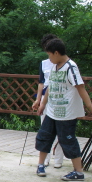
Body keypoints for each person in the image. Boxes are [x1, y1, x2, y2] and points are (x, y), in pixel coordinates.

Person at [36, 38, 92, 181]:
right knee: (44, 136)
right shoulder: (54, 67)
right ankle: (40, 165)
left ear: (56, 52)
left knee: (67, 140)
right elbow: (50, 88)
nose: (49, 58)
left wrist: (90, 106)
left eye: (49, 55)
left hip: (66, 113)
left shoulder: (71, 67)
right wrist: (42, 103)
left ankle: (78, 172)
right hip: (52, 111)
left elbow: (80, 87)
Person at [32, 34, 64, 168]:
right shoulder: (44, 63)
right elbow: (41, 82)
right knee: (45, 129)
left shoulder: (65, 64)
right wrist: (38, 99)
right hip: (45, 96)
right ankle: (45, 158)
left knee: (61, 129)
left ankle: (59, 159)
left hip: (60, 98)